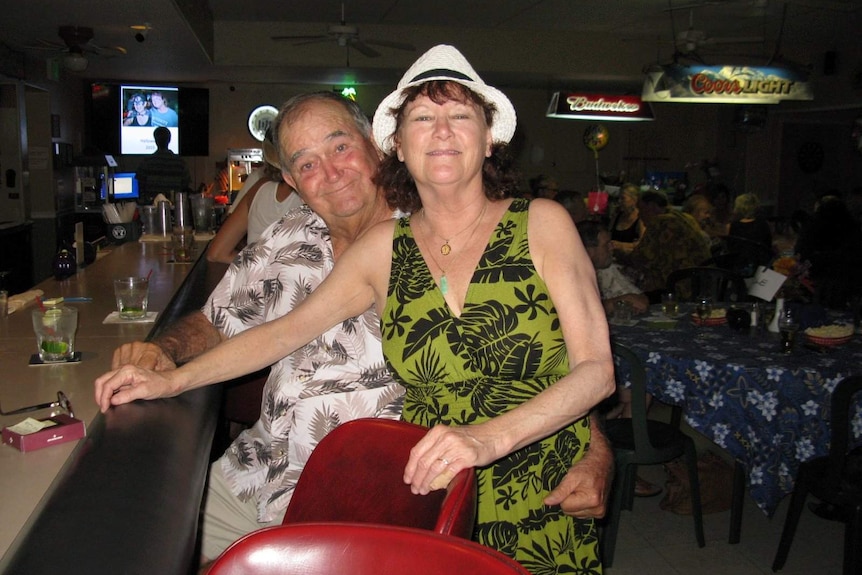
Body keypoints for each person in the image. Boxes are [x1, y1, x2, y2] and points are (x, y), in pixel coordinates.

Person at [98, 90, 613, 564]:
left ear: (377, 147)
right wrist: (168, 372)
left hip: (381, 487)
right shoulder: (329, 241)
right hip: (271, 467)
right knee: (126, 541)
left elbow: (553, 355)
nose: (332, 172)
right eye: (306, 163)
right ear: (292, 182)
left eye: (340, 147)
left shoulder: (493, 220)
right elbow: (275, 330)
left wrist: (592, 446)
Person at [206, 129, 302, 264]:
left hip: (256, 283)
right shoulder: (312, 193)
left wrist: (259, 263)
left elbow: (216, 254)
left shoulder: (258, 187)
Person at [621, 189, 711, 300]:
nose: (639, 214)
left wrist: (619, 254)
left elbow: (640, 258)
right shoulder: (685, 217)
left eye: (641, 209)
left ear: (652, 206)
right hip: (703, 280)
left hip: (680, 285)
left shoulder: (660, 222)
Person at [578, 220, 648, 317]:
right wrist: (614, 304)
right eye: (606, 245)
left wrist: (622, 302)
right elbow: (579, 311)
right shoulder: (571, 276)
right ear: (589, 251)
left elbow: (641, 301)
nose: (612, 247)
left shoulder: (608, 269)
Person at [134, 126, 191, 205]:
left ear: (155, 141)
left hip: (152, 209)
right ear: (169, 140)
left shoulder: (146, 162)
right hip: (175, 209)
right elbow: (185, 186)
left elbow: (139, 185)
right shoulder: (180, 163)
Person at [726, 193, 773, 275]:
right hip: (760, 267)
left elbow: (730, 248)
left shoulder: (734, 226)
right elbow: (768, 245)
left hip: (739, 267)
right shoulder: (763, 224)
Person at [609, 183, 645, 257]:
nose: (619, 201)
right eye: (618, 198)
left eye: (623, 198)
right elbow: (608, 235)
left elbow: (643, 244)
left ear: (634, 200)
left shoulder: (641, 219)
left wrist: (621, 245)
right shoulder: (616, 216)